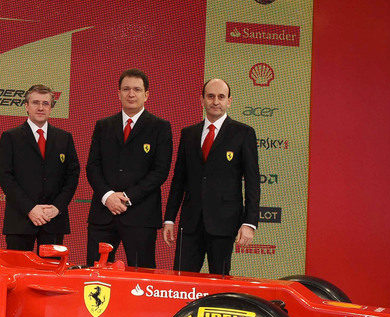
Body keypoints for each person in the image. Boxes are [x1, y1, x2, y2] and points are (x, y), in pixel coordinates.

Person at [163, 78, 259, 275]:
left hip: (224, 224)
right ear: (202, 100)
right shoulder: (188, 134)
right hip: (190, 224)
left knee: (220, 283)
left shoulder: (243, 133)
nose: (216, 101)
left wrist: (249, 223)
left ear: (229, 101)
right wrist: (170, 219)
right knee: (181, 282)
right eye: (211, 96)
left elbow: (252, 181)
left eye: (221, 97)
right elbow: (179, 179)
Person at [85, 69, 173, 267]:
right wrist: (108, 197)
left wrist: (126, 197)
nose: (131, 94)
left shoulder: (160, 127)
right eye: (126, 89)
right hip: (103, 214)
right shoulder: (103, 126)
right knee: (94, 276)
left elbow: (160, 172)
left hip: (141, 216)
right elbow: (92, 166)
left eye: (136, 89)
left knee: (141, 278)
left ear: (146, 94)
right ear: (118, 93)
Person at [0, 84, 80, 251]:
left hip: (53, 220)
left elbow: (72, 177)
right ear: (27, 106)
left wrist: (56, 208)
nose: (40, 107)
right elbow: (6, 177)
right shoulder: (10, 137)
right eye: (35, 103)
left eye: (45, 103)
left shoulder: (64, 138)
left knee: (51, 275)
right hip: (20, 220)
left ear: (51, 108)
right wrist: (30, 209)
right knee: (17, 274)